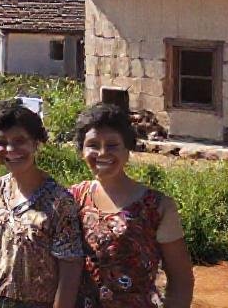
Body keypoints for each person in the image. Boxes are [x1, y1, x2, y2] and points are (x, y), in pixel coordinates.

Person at [71, 103, 194, 308]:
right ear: (81, 151)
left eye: (112, 145)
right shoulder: (72, 199)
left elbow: (181, 279)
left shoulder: (157, 207)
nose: (102, 153)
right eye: (93, 145)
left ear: (127, 149)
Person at [0, 100, 83, 308]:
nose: (11, 149)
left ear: (35, 143)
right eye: (1, 142)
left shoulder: (59, 201)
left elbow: (70, 271)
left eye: (19, 140)